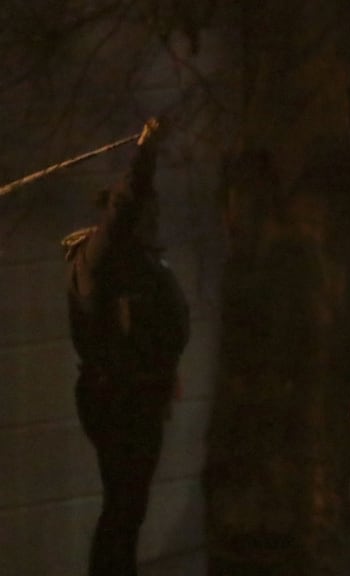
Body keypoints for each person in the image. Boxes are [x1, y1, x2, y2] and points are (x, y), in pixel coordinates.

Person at [61, 118, 190, 576]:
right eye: (148, 214)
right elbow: (126, 201)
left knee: (128, 506)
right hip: (119, 400)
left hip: (138, 397)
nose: (155, 220)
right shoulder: (103, 257)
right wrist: (146, 151)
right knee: (123, 505)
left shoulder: (135, 263)